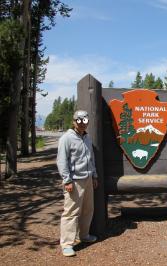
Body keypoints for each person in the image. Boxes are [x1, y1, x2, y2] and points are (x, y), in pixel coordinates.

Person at [57, 110, 98, 257]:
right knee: (71, 213)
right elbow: (61, 161)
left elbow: (91, 159)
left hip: (87, 179)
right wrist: (67, 180)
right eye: (79, 121)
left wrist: (94, 175)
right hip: (74, 181)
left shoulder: (87, 138)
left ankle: (84, 235)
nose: (82, 124)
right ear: (74, 121)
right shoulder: (66, 138)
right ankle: (67, 244)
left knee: (88, 209)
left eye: (84, 121)